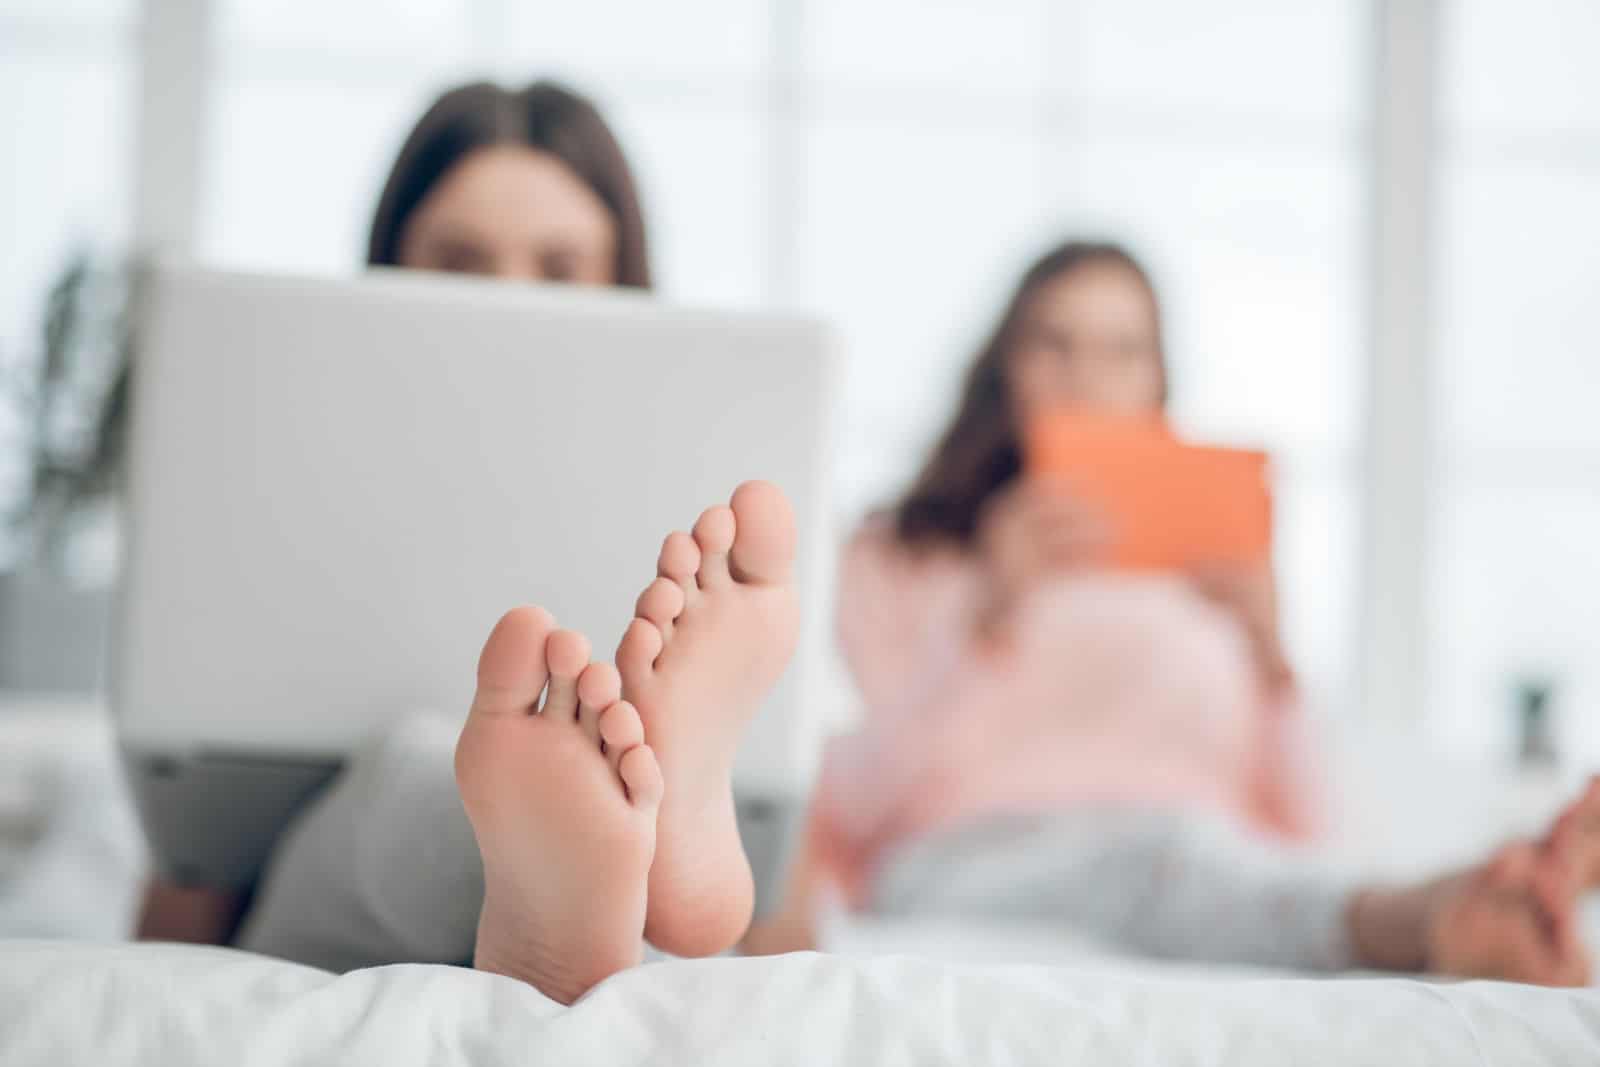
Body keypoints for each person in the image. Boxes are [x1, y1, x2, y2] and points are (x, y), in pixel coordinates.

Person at [455, 479, 1598, 1004]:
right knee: (1143, 876)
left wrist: (1273, 661)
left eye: (1116, 351)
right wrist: (989, 613)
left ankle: (1463, 904)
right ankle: (682, 882)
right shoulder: (924, 556)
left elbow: (1311, 826)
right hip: (970, 844)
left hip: (1192, 853)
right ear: (1006, 378)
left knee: (1209, 875)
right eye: (1055, 347)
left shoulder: (1216, 591)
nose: (1085, 376)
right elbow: (859, 786)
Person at [134, 76, 656, 952]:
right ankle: (563, 874)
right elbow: (192, 863)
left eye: (559, 267)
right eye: (462, 260)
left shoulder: (709, 536)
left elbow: (791, 915)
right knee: (418, 769)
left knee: (664, 821)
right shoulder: (277, 479)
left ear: (621, 279)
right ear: (391, 265)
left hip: (647, 860)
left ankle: (613, 866)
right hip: (347, 865)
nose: (510, 302)